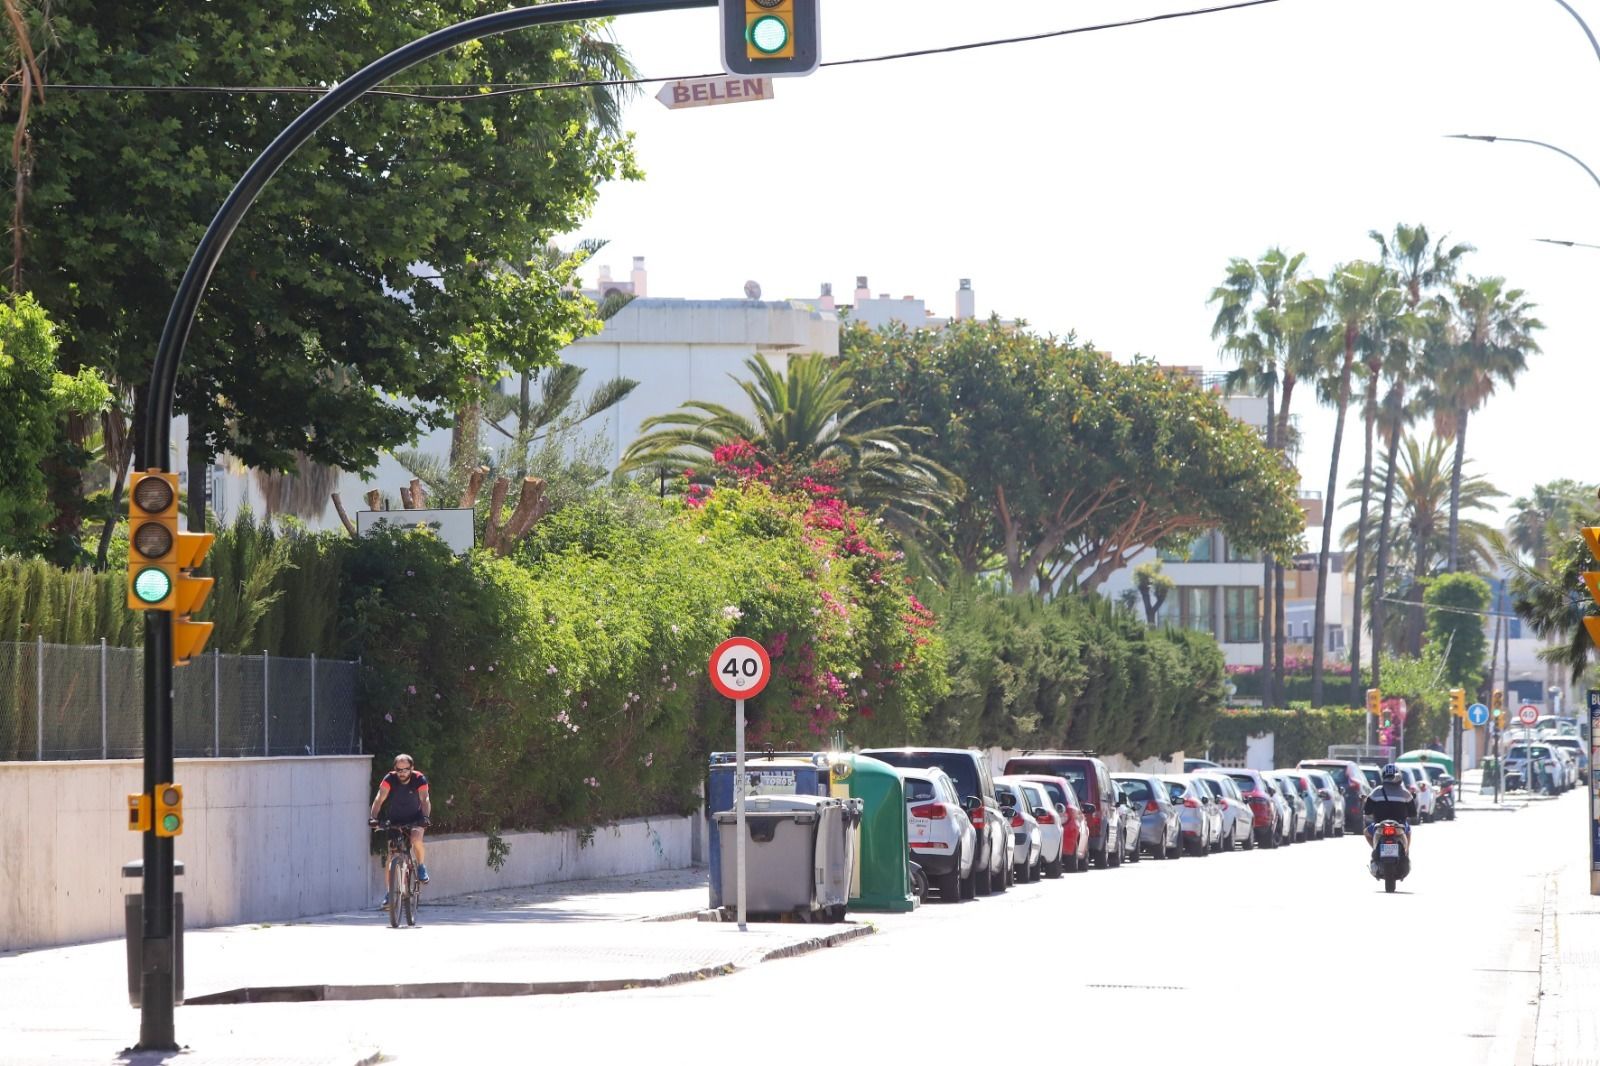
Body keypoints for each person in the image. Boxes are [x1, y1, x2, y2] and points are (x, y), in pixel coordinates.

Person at [370, 753, 431, 886]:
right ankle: (389, 894)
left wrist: (425, 818)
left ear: (412, 768)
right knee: (391, 857)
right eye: (399, 770)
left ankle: (421, 866)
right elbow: (379, 799)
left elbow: (425, 800)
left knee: (415, 839)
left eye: (406, 769)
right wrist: (373, 818)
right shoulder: (389, 779)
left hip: (416, 817)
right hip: (395, 819)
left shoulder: (419, 778)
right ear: (395, 769)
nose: (402, 773)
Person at [1362, 763, 1418, 849]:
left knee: (1366, 832)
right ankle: (1405, 852)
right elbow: (1413, 813)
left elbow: (1367, 811)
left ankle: (1375, 849)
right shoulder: (1405, 793)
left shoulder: (1376, 792)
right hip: (1400, 825)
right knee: (1408, 832)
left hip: (1379, 826)